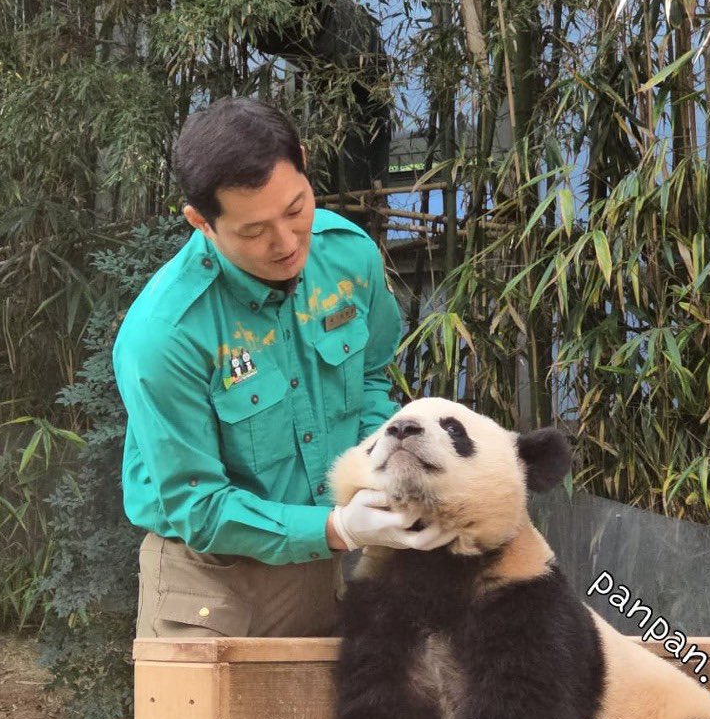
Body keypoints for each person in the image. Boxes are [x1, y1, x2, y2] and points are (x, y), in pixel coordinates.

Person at [112, 98, 456, 638]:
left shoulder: (346, 256)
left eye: (296, 209)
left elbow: (369, 375)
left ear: (301, 160)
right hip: (207, 583)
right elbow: (195, 505)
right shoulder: (166, 334)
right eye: (252, 232)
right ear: (202, 222)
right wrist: (338, 526)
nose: (287, 242)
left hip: (323, 569)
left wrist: (381, 470)